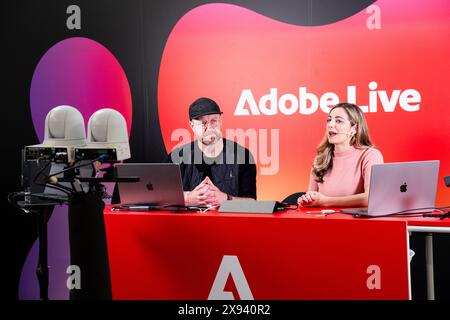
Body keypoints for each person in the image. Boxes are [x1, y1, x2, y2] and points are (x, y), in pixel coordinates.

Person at [165, 97, 257, 206]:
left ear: (220, 122)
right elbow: (160, 197)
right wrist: (188, 199)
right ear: (192, 125)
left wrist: (226, 200)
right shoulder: (176, 157)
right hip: (188, 223)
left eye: (213, 121)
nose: (209, 128)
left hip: (227, 222)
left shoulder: (242, 156)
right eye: (203, 123)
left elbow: (252, 204)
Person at [298, 102, 383, 207]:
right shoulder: (320, 160)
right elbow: (312, 198)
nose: (331, 124)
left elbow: (372, 198)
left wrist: (325, 201)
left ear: (354, 129)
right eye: (329, 120)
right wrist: (306, 200)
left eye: (339, 121)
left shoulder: (370, 155)